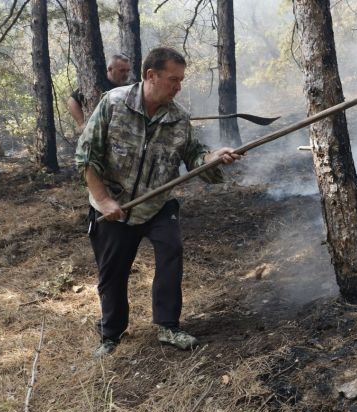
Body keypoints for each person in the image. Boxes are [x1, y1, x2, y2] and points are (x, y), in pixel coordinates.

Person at [75, 47, 241, 358]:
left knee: (171, 251)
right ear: (151, 76)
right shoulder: (113, 104)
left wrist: (213, 158)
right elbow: (86, 157)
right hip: (114, 208)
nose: (178, 86)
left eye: (181, 80)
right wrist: (103, 200)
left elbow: (194, 156)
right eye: (173, 79)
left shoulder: (178, 118)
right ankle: (111, 333)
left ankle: (168, 325)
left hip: (157, 205)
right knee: (112, 274)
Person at [67, 54, 132, 130]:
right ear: (110, 69)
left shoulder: (129, 87)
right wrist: (81, 123)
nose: (126, 74)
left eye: (128, 71)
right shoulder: (98, 83)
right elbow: (72, 101)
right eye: (122, 71)